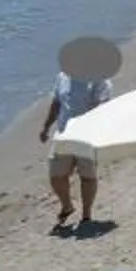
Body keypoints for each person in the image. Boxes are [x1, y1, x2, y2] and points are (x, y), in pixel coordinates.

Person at [38, 65, 112, 232]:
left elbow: (104, 106)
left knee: (88, 176)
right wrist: (46, 127)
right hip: (63, 134)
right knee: (56, 175)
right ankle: (67, 206)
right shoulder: (62, 76)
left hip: (87, 135)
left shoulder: (99, 79)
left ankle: (86, 215)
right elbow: (57, 102)